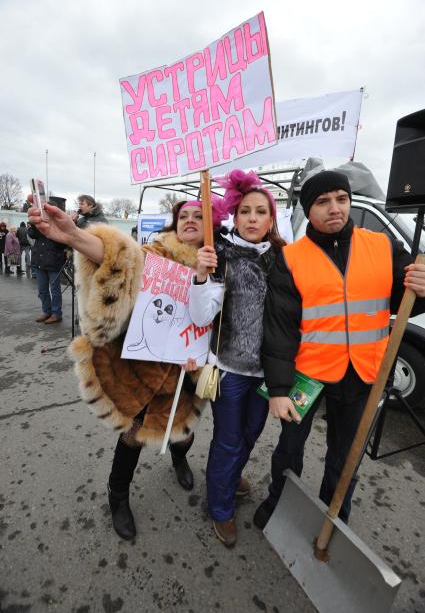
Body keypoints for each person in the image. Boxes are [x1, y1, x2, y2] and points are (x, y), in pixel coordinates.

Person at [28, 197, 208, 541]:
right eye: (183, 215)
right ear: (174, 222)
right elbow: (121, 258)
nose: (190, 220)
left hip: (189, 368)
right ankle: (118, 495)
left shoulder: (219, 261)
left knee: (184, 426)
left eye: (199, 216)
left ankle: (179, 457)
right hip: (146, 368)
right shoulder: (157, 253)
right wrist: (73, 237)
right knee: (135, 433)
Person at [254, 170, 425, 529]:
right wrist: (280, 390)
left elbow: (404, 299)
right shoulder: (291, 259)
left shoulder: (381, 246)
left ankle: (334, 515)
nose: (335, 208)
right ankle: (280, 502)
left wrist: (422, 288)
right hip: (308, 374)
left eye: (342, 199)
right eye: (323, 201)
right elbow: (280, 331)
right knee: (289, 449)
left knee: (346, 454)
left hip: (364, 371)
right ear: (308, 208)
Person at [188, 169, 286, 548]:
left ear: (271, 218)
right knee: (229, 440)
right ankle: (221, 507)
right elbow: (200, 316)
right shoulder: (221, 254)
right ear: (234, 214)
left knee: (250, 434)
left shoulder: (282, 259)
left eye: (260, 212)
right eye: (245, 211)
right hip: (229, 370)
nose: (252, 219)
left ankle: (225, 477)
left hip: (267, 374)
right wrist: (201, 275)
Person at [27, 224, 66, 323]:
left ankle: (56, 314)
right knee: (42, 290)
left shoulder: (57, 225)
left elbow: (63, 244)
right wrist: (34, 224)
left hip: (53, 262)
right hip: (39, 262)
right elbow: (31, 233)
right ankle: (46, 312)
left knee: (55, 291)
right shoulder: (38, 225)